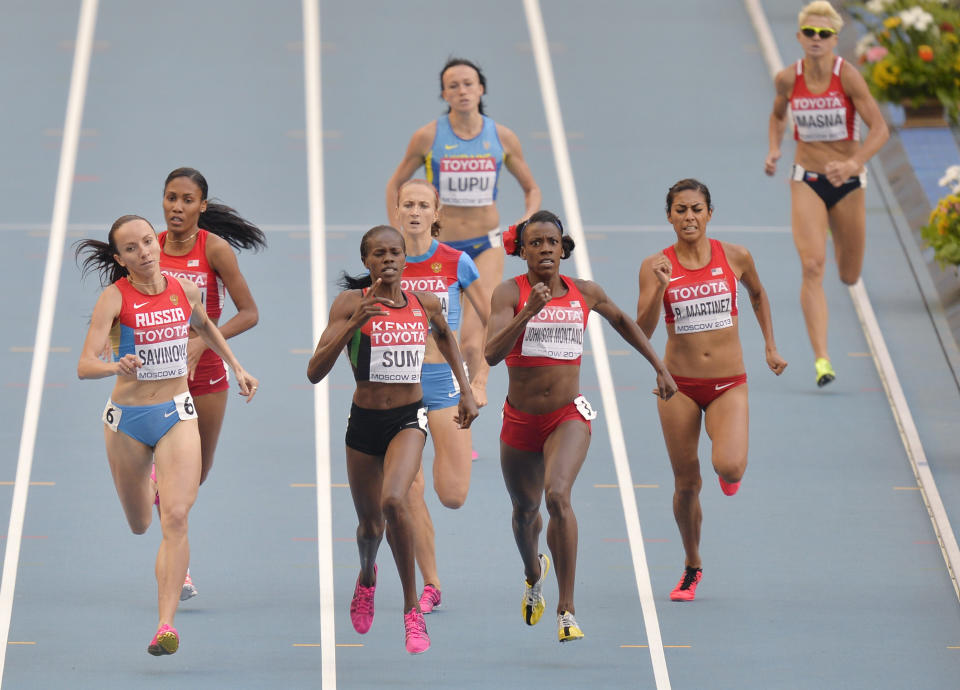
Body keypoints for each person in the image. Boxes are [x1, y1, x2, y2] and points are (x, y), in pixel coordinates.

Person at [485, 210, 676, 643]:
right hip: (520, 419)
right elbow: (491, 354)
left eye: (553, 242)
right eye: (536, 243)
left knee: (557, 496)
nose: (546, 249)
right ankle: (534, 573)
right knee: (524, 512)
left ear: (563, 248)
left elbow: (624, 321)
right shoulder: (507, 294)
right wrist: (526, 313)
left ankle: (566, 609)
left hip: (567, 416)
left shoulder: (584, 292)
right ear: (524, 251)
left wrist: (659, 367)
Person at [76, 215, 258, 656]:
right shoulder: (113, 299)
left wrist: (236, 365)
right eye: (132, 249)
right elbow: (84, 365)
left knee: (176, 517)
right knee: (141, 523)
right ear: (120, 258)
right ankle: (149, 485)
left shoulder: (184, 289)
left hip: (177, 413)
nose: (144, 252)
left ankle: (165, 625)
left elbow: (205, 325)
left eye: (147, 242)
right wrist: (113, 365)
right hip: (128, 421)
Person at [306, 225, 478, 654]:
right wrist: (354, 325)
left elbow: (446, 337)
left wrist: (467, 389)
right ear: (366, 262)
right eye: (378, 253)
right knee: (369, 527)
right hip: (363, 423)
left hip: (408, 419)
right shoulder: (350, 304)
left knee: (394, 500)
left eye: (394, 252)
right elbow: (314, 370)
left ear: (404, 260)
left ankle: (410, 611)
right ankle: (367, 577)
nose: (387, 259)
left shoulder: (425, 304)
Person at [636, 179, 787, 603]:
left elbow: (757, 294)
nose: (689, 217)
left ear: (709, 213)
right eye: (680, 210)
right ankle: (691, 565)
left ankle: (729, 472)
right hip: (677, 387)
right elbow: (642, 331)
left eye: (696, 209)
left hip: (727, 384)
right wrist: (662, 287)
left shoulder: (735, 256)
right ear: (668, 216)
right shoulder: (655, 265)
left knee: (731, 467)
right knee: (686, 484)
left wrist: (770, 346)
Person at [386, 57, 541, 407]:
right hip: (442, 247)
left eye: (468, 83)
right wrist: (399, 232)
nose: (462, 90)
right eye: (453, 85)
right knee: (440, 339)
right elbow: (396, 182)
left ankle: (477, 387)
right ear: (444, 94)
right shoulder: (428, 137)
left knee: (475, 339)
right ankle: (436, 403)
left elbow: (532, 188)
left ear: (481, 89)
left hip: (485, 245)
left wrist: (525, 221)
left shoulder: (501, 137)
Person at [764, 0, 888, 387]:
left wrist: (854, 163)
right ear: (800, 37)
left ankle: (838, 237)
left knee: (849, 274)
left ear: (835, 39)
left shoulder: (847, 77)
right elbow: (778, 114)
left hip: (848, 183)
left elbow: (880, 129)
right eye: (810, 33)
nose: (817, 39)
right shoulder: (788, 78)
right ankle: (822, 359)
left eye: (825, 34)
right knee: (813, 265)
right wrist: (775, 148)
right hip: (808, 180)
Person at [156, 166, 266, 601]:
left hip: (207, 377)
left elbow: (249, 312)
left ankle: (164, 494)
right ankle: (178, 568)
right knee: (171, 478)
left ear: (202, 205)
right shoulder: (149, 248)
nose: (176, 207)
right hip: (158, 377)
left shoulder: (214, 250)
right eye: (170, 197)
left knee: (197, 473)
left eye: (186, 199)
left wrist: (204, 342)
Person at [394, 179, 489, 614]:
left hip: (444, 383)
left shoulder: (456, 262)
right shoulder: (386, 262)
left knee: (452, 494)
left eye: (423, 205)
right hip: (399, 387)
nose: (415, 211)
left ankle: (437, 452)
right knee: (408, 489)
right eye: (407, 204)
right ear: (398, 211)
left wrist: (480, 378)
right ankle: (430, 584)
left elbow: (490, 320)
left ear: (436, 215)